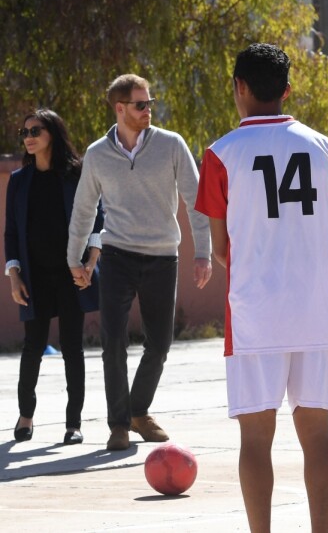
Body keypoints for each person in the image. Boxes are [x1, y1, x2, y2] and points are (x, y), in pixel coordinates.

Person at [195, 43, 328, 533]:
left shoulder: (220, 154)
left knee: (255, 441)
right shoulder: (323, 147)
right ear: (288, 90)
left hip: (253, 314)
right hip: (313, 310)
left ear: (238, 87)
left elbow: (222, 247)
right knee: (317, 437)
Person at [67, 74, 212, 451]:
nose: (149, 109)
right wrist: (74, 258)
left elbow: (196, 201)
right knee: (113, 341)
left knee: (160, 343)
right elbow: (84, 210)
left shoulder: (171, 145)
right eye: (141, 104)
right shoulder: (98, 153)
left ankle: (138, 410)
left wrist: (202, 253)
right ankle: (118, 424)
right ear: (120, 108)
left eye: (150, 103)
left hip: (163, 256)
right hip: (116, 256)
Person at [4, 108, 103, 445]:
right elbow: (11, 233)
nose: (28, 137)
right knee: (32, 346)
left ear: (53, 135)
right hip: (35, 275)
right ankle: (25, 416)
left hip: (71, 273)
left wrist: (90, 264)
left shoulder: (76, 175)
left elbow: (96, 222)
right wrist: (14, 276)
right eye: (25, 132)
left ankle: (73, 423)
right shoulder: (19, 181)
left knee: (73, 347)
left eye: (36, 131)